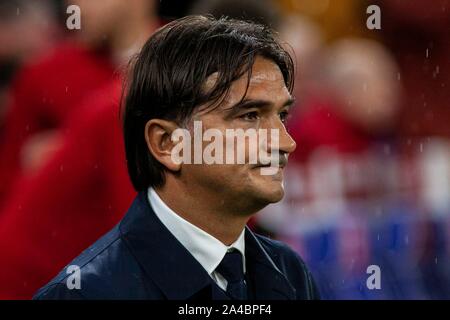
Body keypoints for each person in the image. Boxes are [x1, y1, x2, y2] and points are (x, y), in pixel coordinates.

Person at [34, 15, 319, 300]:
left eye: (282, 116)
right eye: (250, 116)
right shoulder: (84, 294)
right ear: (168, 143)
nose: (286, 142)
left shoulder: (291, 272)